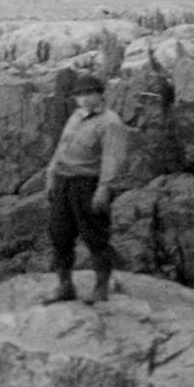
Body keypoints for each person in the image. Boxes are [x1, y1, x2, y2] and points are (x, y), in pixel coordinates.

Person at [43, 75, 130, 304]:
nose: (84, 99)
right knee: (59, 234)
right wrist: (51, 173)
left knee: (95, 236)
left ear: (101, 94)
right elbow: (61, 147)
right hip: (64, 181)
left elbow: (113, 158)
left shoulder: (110, 122)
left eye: (90, 93)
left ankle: (101, 288)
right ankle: (65, 286)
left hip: (87, 184)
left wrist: (104, 189)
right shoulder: (75, 117)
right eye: (80, 95)